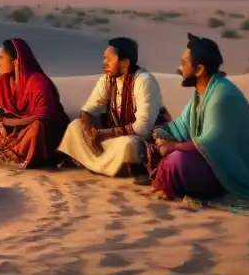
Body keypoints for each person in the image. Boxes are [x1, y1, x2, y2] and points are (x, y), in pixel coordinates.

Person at [149, 33, 249, 209]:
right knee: (153, 149)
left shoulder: (222, 96)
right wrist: (160, 134)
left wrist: (173, 146)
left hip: (229, 172)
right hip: (211, 163)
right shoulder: (201, 93)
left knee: (177, 161)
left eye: (183, 64)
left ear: (200, 69)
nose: (179, 69)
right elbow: (180, 126)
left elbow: (210, 142)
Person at [57, 37, 170, 177]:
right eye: (104, 58)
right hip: (110, 141)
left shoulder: (144, 81)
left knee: (128, 145)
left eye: (109, 59)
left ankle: (94, 163)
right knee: (75, 126)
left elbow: (143, 128)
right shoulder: (107, 79)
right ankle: (108, 166)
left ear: (125, 63)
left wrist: (103, 134)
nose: (104, 63)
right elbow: (87, 110)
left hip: (141, 141)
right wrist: (92, 132)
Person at [0, 39, 70, 168]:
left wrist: (14, 122)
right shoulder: (2, 82)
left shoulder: (37, 81)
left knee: (37, 128)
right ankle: (2, 151)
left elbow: (44, 116)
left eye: (1, 58)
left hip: (41, 131)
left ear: (15, 61)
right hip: (13, 131)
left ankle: (19, 154)